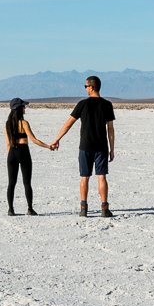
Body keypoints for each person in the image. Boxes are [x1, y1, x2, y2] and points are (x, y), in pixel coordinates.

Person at [51, 76, 115, 217]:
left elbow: (68, 123)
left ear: (91, 87)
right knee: (101, 177)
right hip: (101, 147)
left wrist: (57, 139)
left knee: (84, 177)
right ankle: (104, 208)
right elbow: (110, 129)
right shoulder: (107, 104)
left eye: (86, 86)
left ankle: (83, 208)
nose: (85, 89)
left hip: (85, 146)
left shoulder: (82, 104)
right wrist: (112, 148)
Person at [2, 96, 51, 215]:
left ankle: (11, 210)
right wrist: (48, 146)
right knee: (27, 182)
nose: (25, 108)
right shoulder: (24, 123)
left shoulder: (7, 124)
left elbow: (8, 143)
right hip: (24, 152)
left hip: (12, 153)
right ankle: (30, 208)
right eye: (23, 106)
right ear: (19, 109)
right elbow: (34, 140)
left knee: (11, 183)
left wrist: (11, 155)